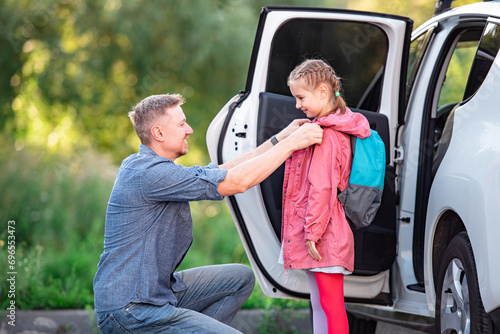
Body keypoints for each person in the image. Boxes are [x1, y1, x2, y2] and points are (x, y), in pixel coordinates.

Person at [93, 93, 323, 333]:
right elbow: (238, 181)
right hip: (132, 308)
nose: (189, 130)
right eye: (181, 124)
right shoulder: (148, 174)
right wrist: (293, 144)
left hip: (156, 295)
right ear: (158, 133)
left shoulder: (154, 168)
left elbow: (223, 171)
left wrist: (279, 139)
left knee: (239, 279)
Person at [279, 59, 371, 334]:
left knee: (330, 305)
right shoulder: (327, 129)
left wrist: (312, 232)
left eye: (300, 97)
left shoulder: (328, 136)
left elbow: (323, 188)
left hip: (325, 232)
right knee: (321, 304)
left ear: (322, 92)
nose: (298, 105)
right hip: (324, 230)